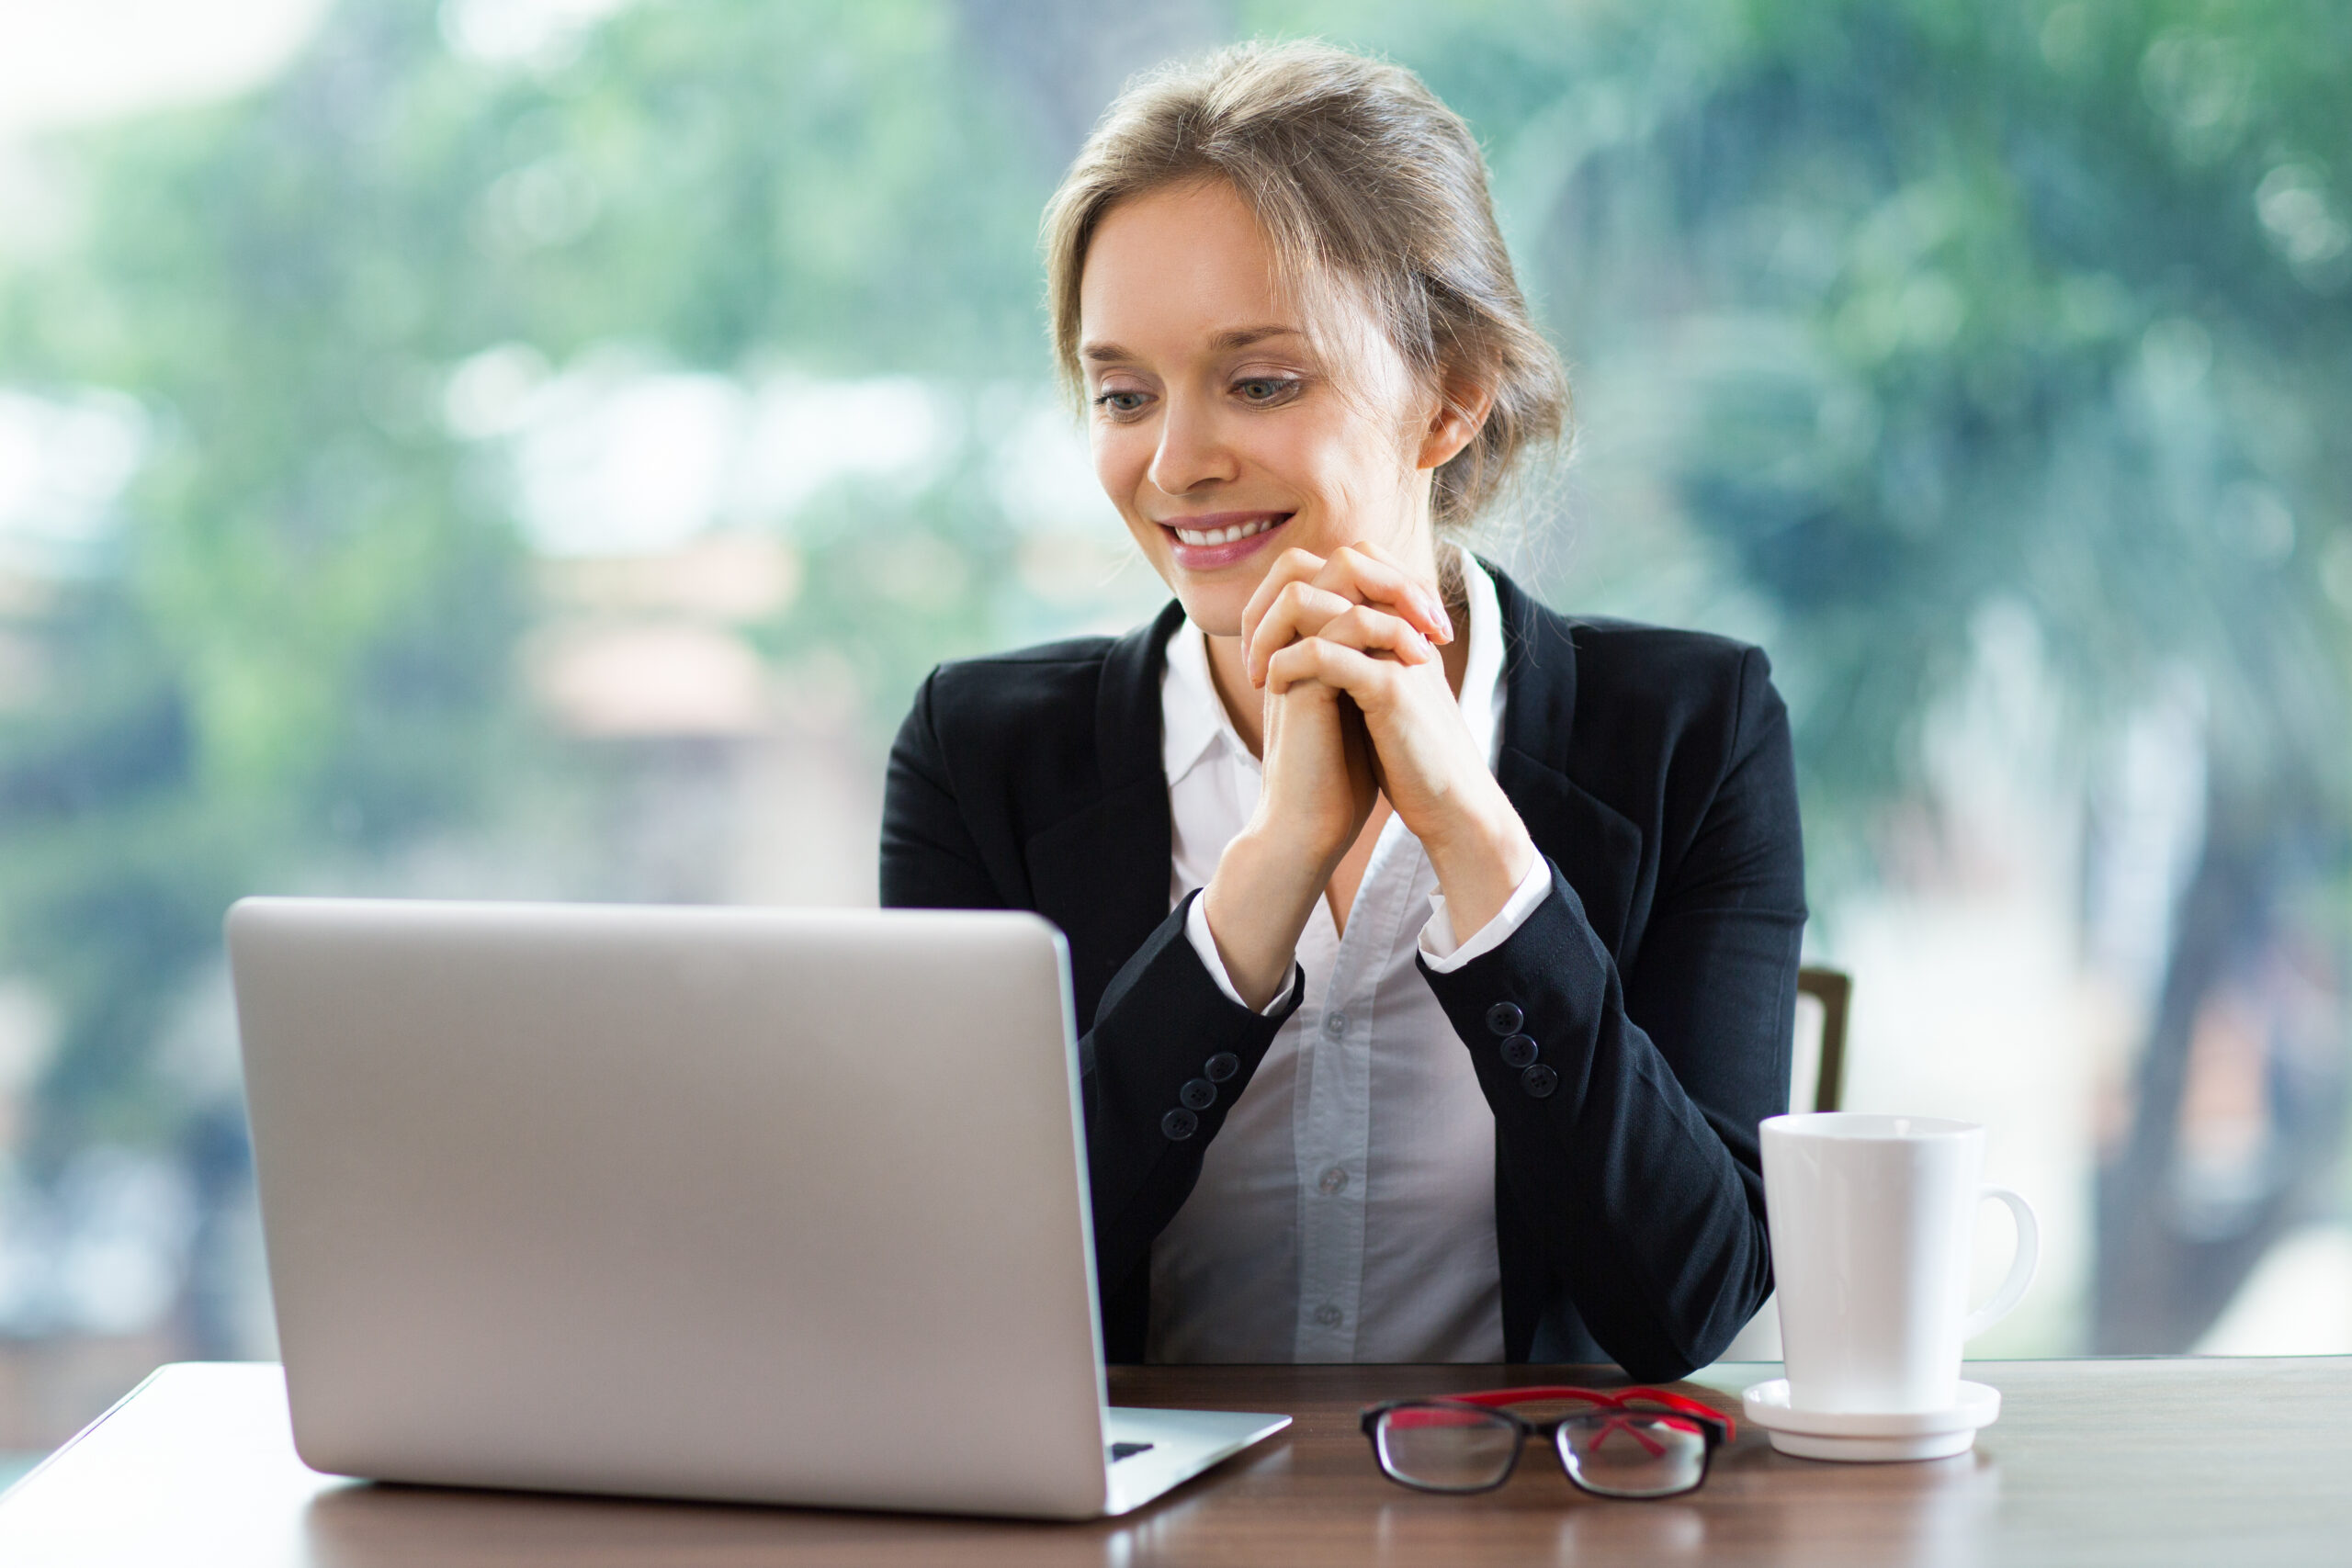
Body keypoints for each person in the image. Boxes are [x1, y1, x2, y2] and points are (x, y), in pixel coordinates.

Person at [881, 41, 1805, 1380]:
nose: (1178, 463)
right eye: (1123, 395)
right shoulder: (980, 757)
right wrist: (1259, 891)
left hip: (1524, 1525)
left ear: (1453, 393)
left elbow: (1692, 1301)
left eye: (1260, 382)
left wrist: (1481, 852)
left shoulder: (1694, 733)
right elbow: (954, 1288)